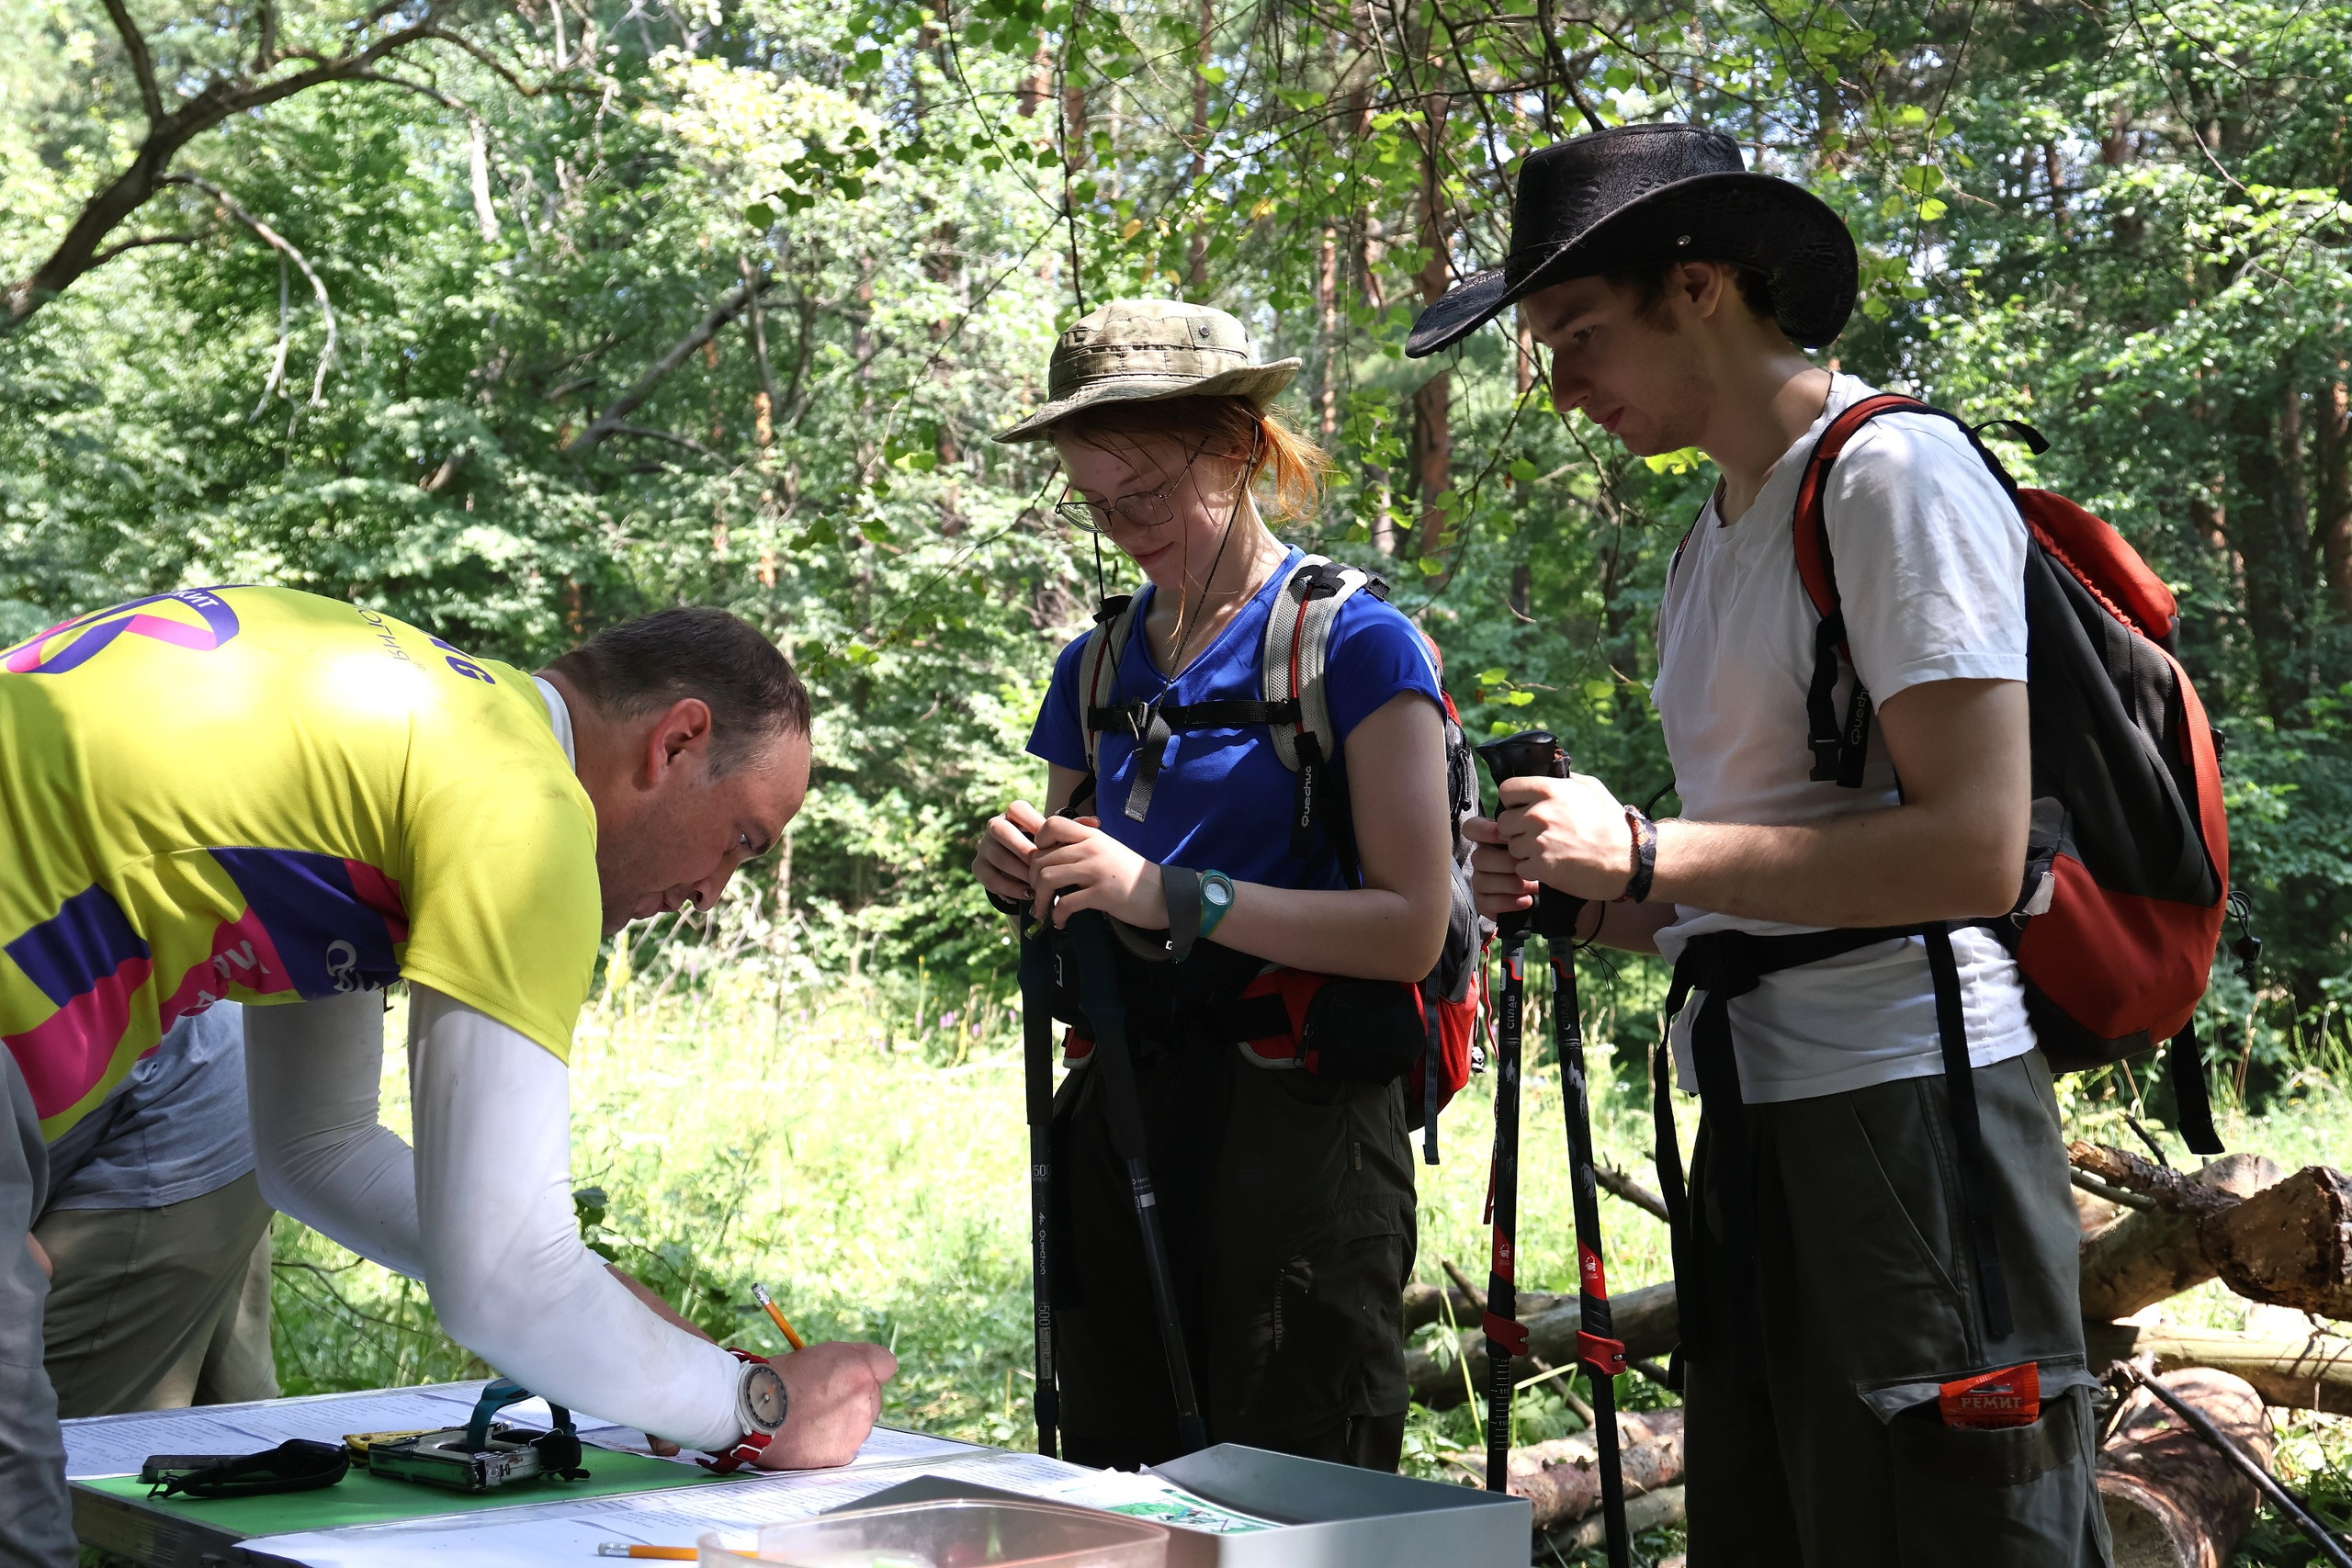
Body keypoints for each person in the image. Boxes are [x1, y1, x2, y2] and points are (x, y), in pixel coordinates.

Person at [1409, 124, 2109, 1565]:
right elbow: (1744, 883)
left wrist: (1649, 846)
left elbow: (1977, 851)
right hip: (1756, 1115)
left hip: (1918, 1119)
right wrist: (1583, 891)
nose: (1562, 390)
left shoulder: (1889, 476)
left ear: (1703, 285)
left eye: (1580, 335)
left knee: (1956, 1531)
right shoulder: (1713, 534)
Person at [2, 591, 895, 1567]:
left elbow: (317, 1151)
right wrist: (757, 1410)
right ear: (676, 743)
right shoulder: (527, 807)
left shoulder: (415, 729)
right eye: (742, 840)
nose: (711, 896)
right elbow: (506, 1282)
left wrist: (649, 1338)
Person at [970, 299, 1456, 1473]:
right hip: (1124, 1121)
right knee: (1116, 1481)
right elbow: (1088, 880)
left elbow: (1410, 929)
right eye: (1095, 505)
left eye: (1142, 497)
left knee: (1300, 1481)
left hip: (1301, 1132)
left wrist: (1174, 896)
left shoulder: (1353, 648)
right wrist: (1030, 873)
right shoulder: (1092, 668)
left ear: (1240, 445)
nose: (1123, 530)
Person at [35, 1002, 278, 1418]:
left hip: (183, 1103)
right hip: (240, 1065)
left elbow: (23, 1264)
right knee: (229, 1428)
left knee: (49, 1436)